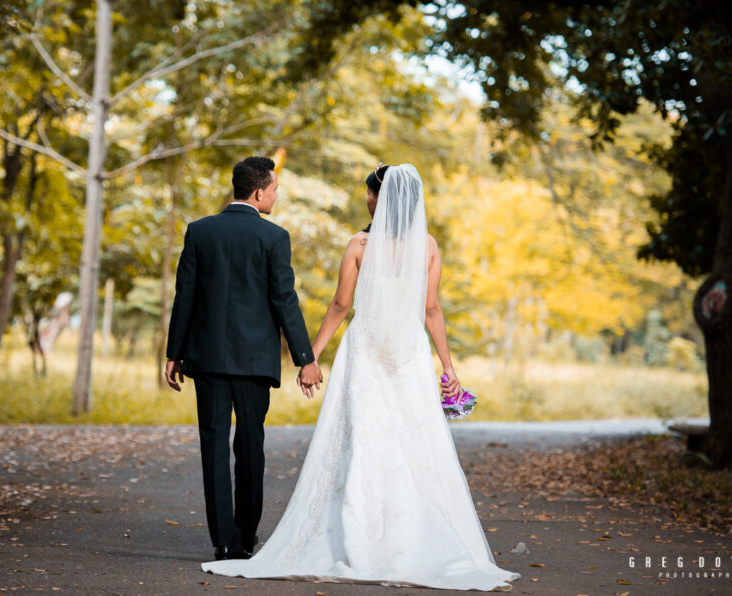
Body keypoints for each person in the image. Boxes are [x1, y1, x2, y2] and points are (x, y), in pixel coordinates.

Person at [201, 164, 521, 591]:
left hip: (366, 351)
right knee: (411, 442)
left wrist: (310, 356)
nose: (368, 199)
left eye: (371, 193)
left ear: (380, 198)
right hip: (408, 354)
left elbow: (339, 305)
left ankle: (356, 534)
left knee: (363, 440)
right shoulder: (426, 246)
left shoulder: (359, 244)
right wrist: (448, 367)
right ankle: (411, 539)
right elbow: (431, 310)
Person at [164, 156, 323, 561]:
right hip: (254, 363)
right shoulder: (274, 237)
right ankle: (246, 539)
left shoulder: (199, 231)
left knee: (214, 445)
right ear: (257, 192)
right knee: (251, 447)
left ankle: (223, 541)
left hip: (208, 360)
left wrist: (174, 353)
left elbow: (186, 297)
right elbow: (283, 299)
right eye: (273, 189)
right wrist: (304, 358)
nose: (275, 195)